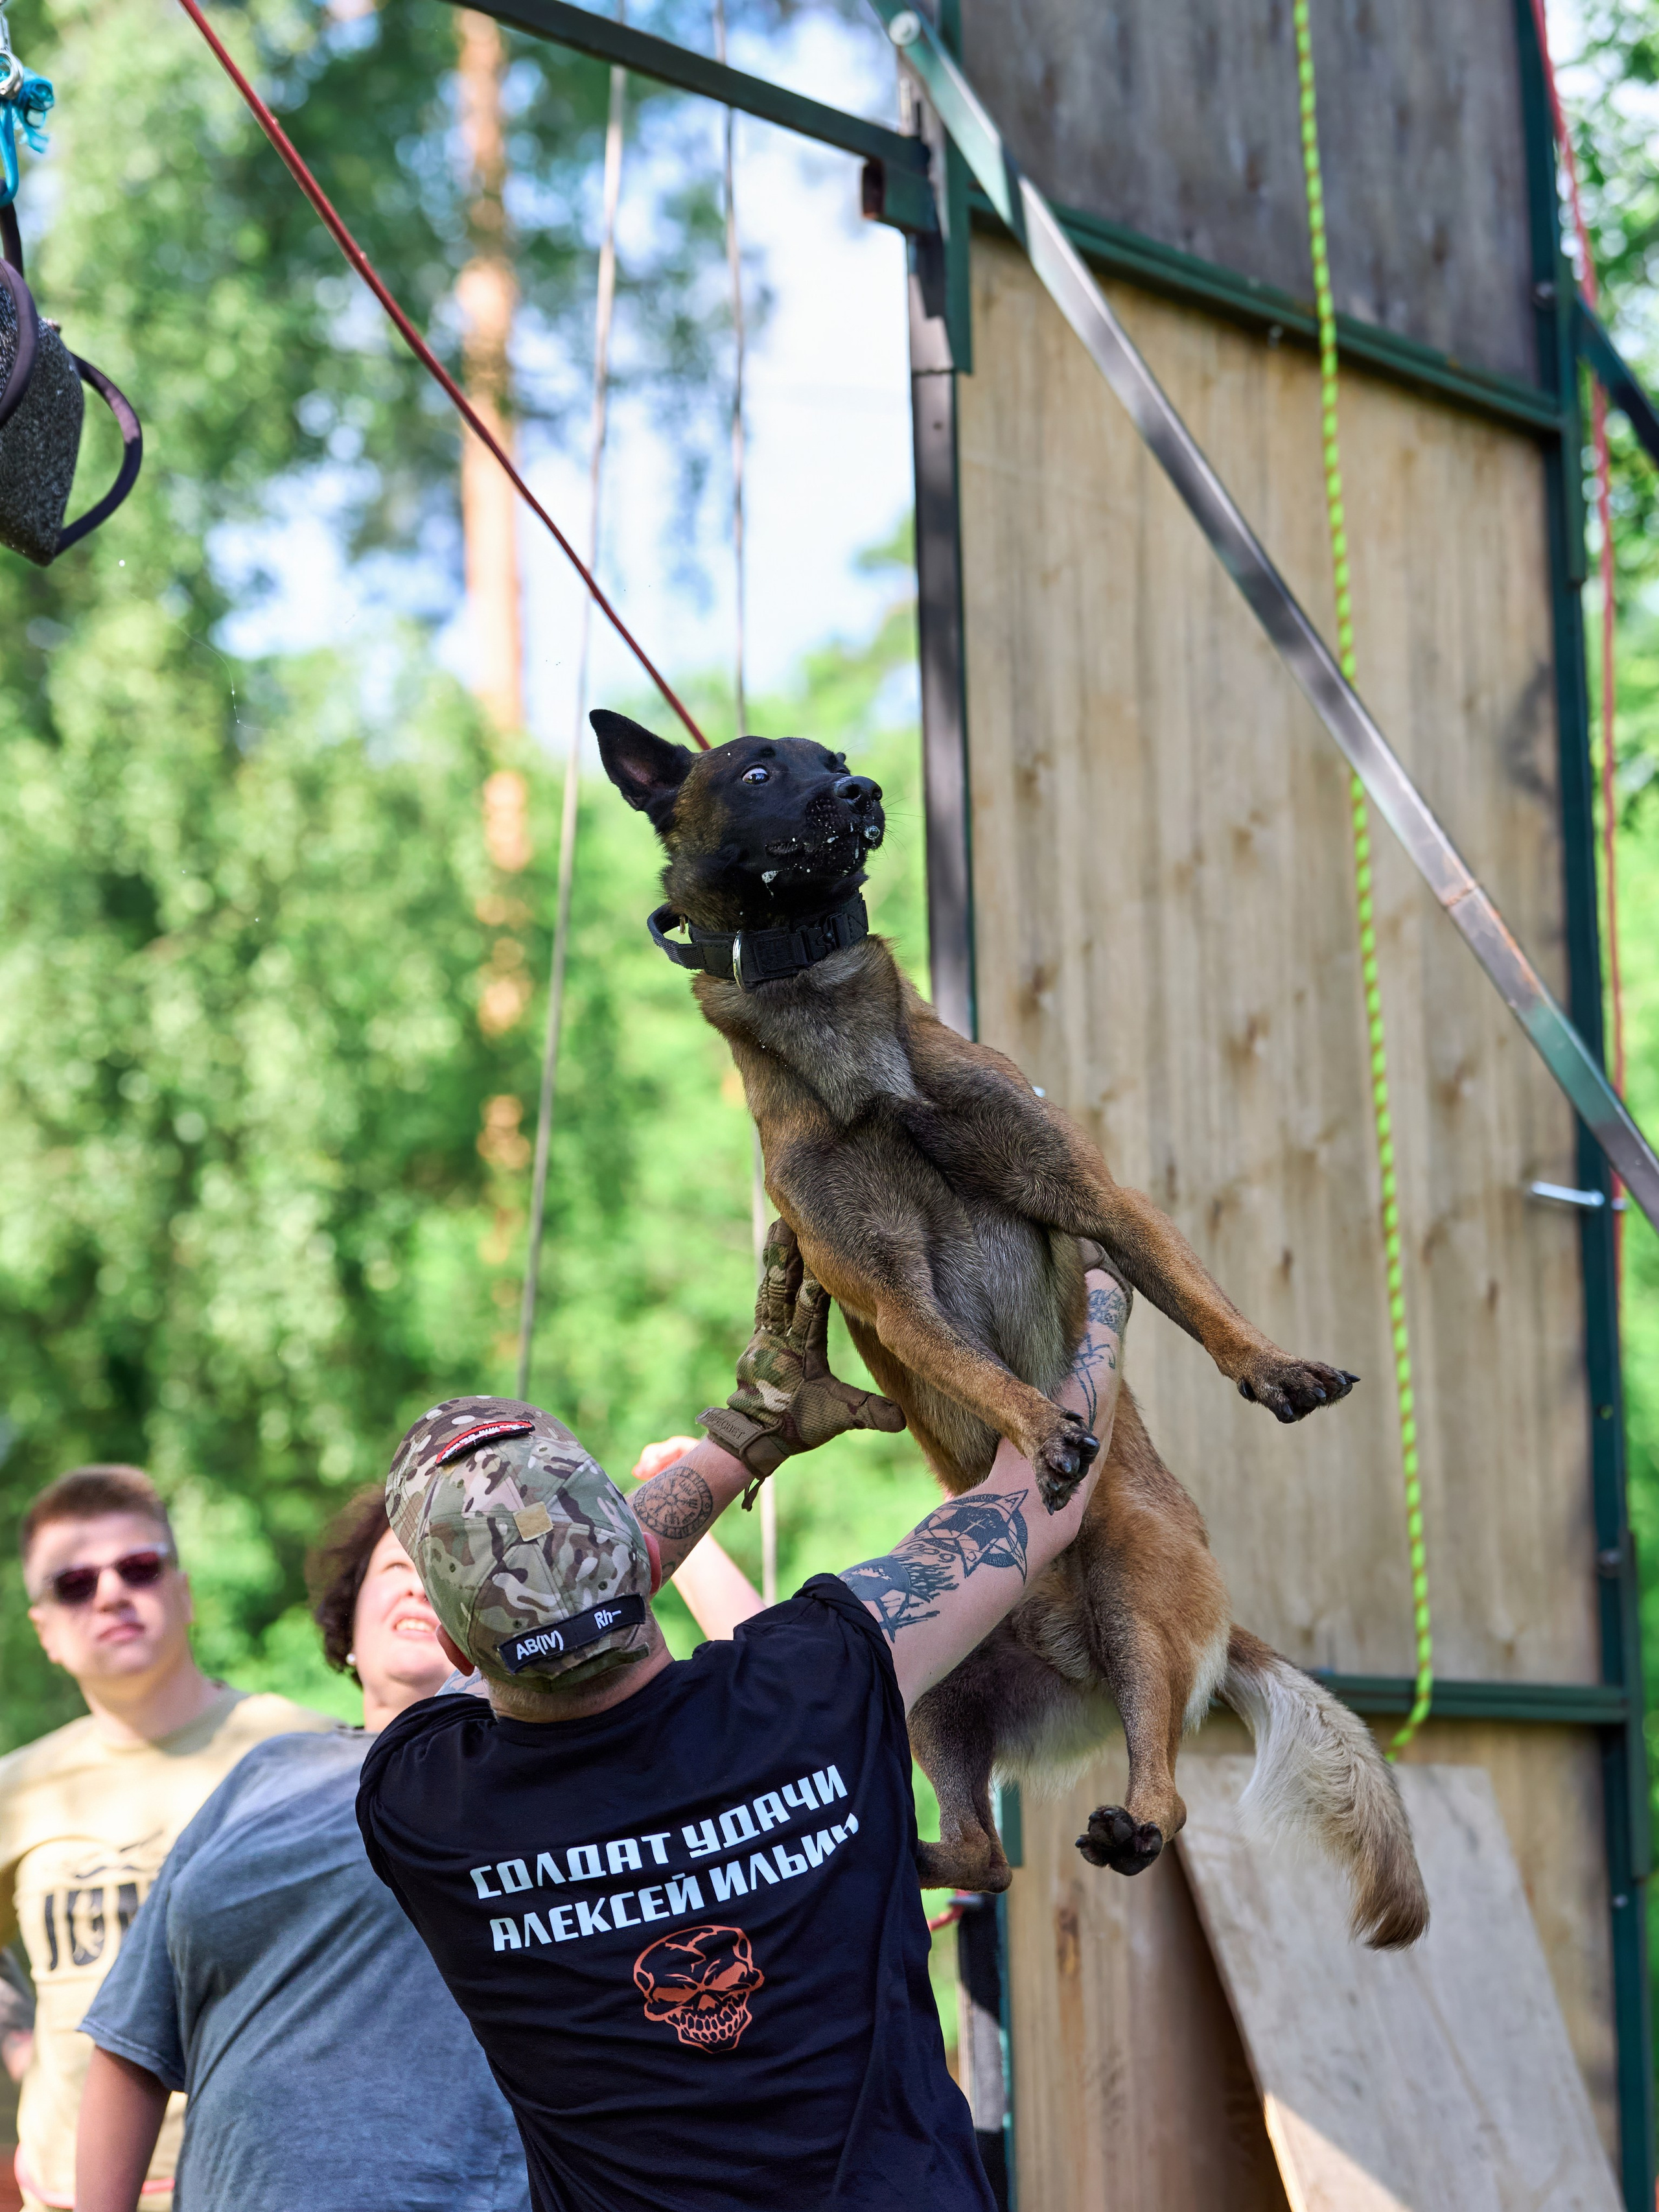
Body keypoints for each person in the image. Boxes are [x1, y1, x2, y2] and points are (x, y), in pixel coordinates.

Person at [356, 1226, 1130, 2212]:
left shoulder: (423, 1804)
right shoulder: (819, 1679)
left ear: (459, 1649)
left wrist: (740, 1441)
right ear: (638, 1567)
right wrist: (1101, 1300)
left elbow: (543, 1630)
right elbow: (1043, 1499)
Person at [73, 1466, 774, 2212]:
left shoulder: (557, 1773)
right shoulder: (264, 1770)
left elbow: (776, 1728)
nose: (416, 1583)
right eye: (393, 1566)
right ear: (347, 1614)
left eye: (446, 1566)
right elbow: (130, 2046)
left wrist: (696, 1492)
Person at [0, 1465, 334, 2212]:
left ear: (182, 1591)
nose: (112, 1592)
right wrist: (20, 2042)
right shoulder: (14, 1790)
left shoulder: (307, 1749)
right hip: (67, 2195)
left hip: (268, 2184)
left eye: (139, 1566)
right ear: (44, 1629)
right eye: (74, 1583)